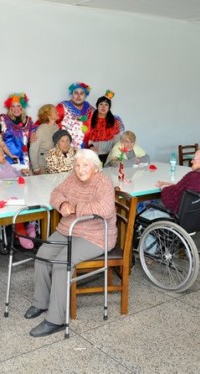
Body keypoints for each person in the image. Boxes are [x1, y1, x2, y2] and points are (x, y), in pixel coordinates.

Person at [25, 149, 117, 337]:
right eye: (77, 165)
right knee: (42, 255)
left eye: (85, 165)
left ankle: (56, 320)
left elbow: (105, 209)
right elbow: (56, 193)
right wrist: (62, 204)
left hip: (95, 236)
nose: (80, 169)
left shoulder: (103, 181)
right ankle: (41, 303)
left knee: (61, 264)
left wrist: (75, 207)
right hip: (68, 230)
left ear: (95, 167)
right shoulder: (73, 178)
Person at [142, 147, 200, 219]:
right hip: (198, 216)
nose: (191, 161)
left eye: (194, 159)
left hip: (178, 216)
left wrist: (163, 187)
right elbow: (183, 189)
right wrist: (170, 185)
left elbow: (171, 196)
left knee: (142, 214)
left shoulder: (193, 177)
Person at [86, 90, 125, 164]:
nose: (103, 106)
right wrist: (91, 146)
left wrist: (116, 154)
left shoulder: (115, 121)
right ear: (97, 106)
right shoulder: (90, 120)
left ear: (109, 107)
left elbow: (117, 140)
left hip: (110, 157)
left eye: (106, 104)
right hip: (93, 156)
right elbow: (87, 137)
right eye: (101, 104)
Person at [55, 82, 95, 150]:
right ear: (71, 94)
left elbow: (101, 117)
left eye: (82, 93)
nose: (78, 96)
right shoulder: (62, 107)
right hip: (65, 151)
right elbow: (47, 120)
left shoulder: (89, 109)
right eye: (76, 93)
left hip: (84, 151)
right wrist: (34, 131)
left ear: (85, 95)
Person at [0, 93, 34, 166]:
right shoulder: (3, 119)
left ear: (22, 107)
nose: (16, 109)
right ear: (10, 108)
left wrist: (33, 134)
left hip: (24, 160)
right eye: (13, 106)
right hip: (8, 160)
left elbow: (32, 135)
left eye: (18, 106)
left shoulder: (28, 121)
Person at [29, 104, 59, 175]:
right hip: (41, 164)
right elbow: (33, 149)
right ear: (48, 115)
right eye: (55, 111)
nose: (57, 112)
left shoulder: (56, 127)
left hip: (53, 164)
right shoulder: (41, 129)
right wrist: (36, 168)